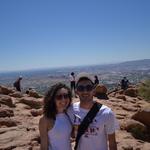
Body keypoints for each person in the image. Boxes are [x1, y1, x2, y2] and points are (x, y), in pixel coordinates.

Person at [68, 73, 119, 150]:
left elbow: (112, 143)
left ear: (94, 91)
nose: (85, 91)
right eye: (81, 88)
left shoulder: (106, 113)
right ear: (76, 91)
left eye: (88, 88)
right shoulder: (70, 110)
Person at [39, 83, 72, 150]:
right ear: (52, 99)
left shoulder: (69, 114)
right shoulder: (45, 120)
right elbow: (44, 147)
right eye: (59, 97)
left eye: (66, 96)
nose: (63, 99)